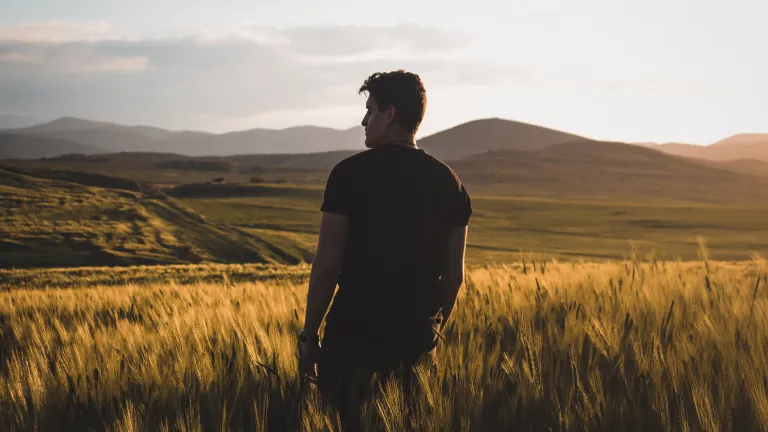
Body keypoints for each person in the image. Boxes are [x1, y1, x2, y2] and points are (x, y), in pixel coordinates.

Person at [298, 69, 472, 430]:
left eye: (370, 109)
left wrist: (310, 334)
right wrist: (430, 333)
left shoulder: (347, 174)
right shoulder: (450, 183)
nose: (364, 120)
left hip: (350, 337)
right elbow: (454, 278)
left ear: (390, 114)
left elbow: (327, 266)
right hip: (414, 341)